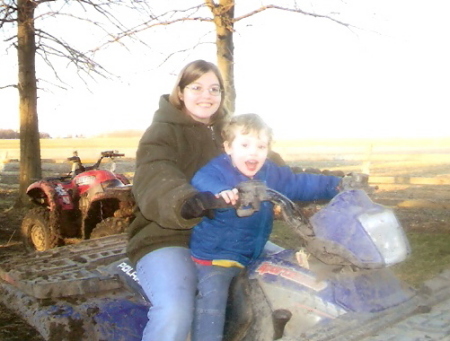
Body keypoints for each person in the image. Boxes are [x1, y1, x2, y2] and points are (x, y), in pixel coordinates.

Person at [127, 60, 285, 341]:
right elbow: (155, 176)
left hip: (227, 234)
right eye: (196, 87)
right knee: (175, 310)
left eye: (214, 89)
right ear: (181, 91)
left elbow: (266, 162)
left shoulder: (232, 130)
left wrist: (314, 180)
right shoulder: (161, 133)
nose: (206, 95)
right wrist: (184, 200)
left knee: (291, 275)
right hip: (169, 236)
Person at [189, 113, 343, 341]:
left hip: (254, 249)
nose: (253, 152)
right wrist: (221, 192)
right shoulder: (217, 171)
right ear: (228, 147)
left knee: (295, 267)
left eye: (261, 146)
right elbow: (203, 181)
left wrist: (338, 185)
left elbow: (298, 183)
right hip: (216, 257)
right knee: (212, 304)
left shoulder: (269, 173)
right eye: (245, 144)